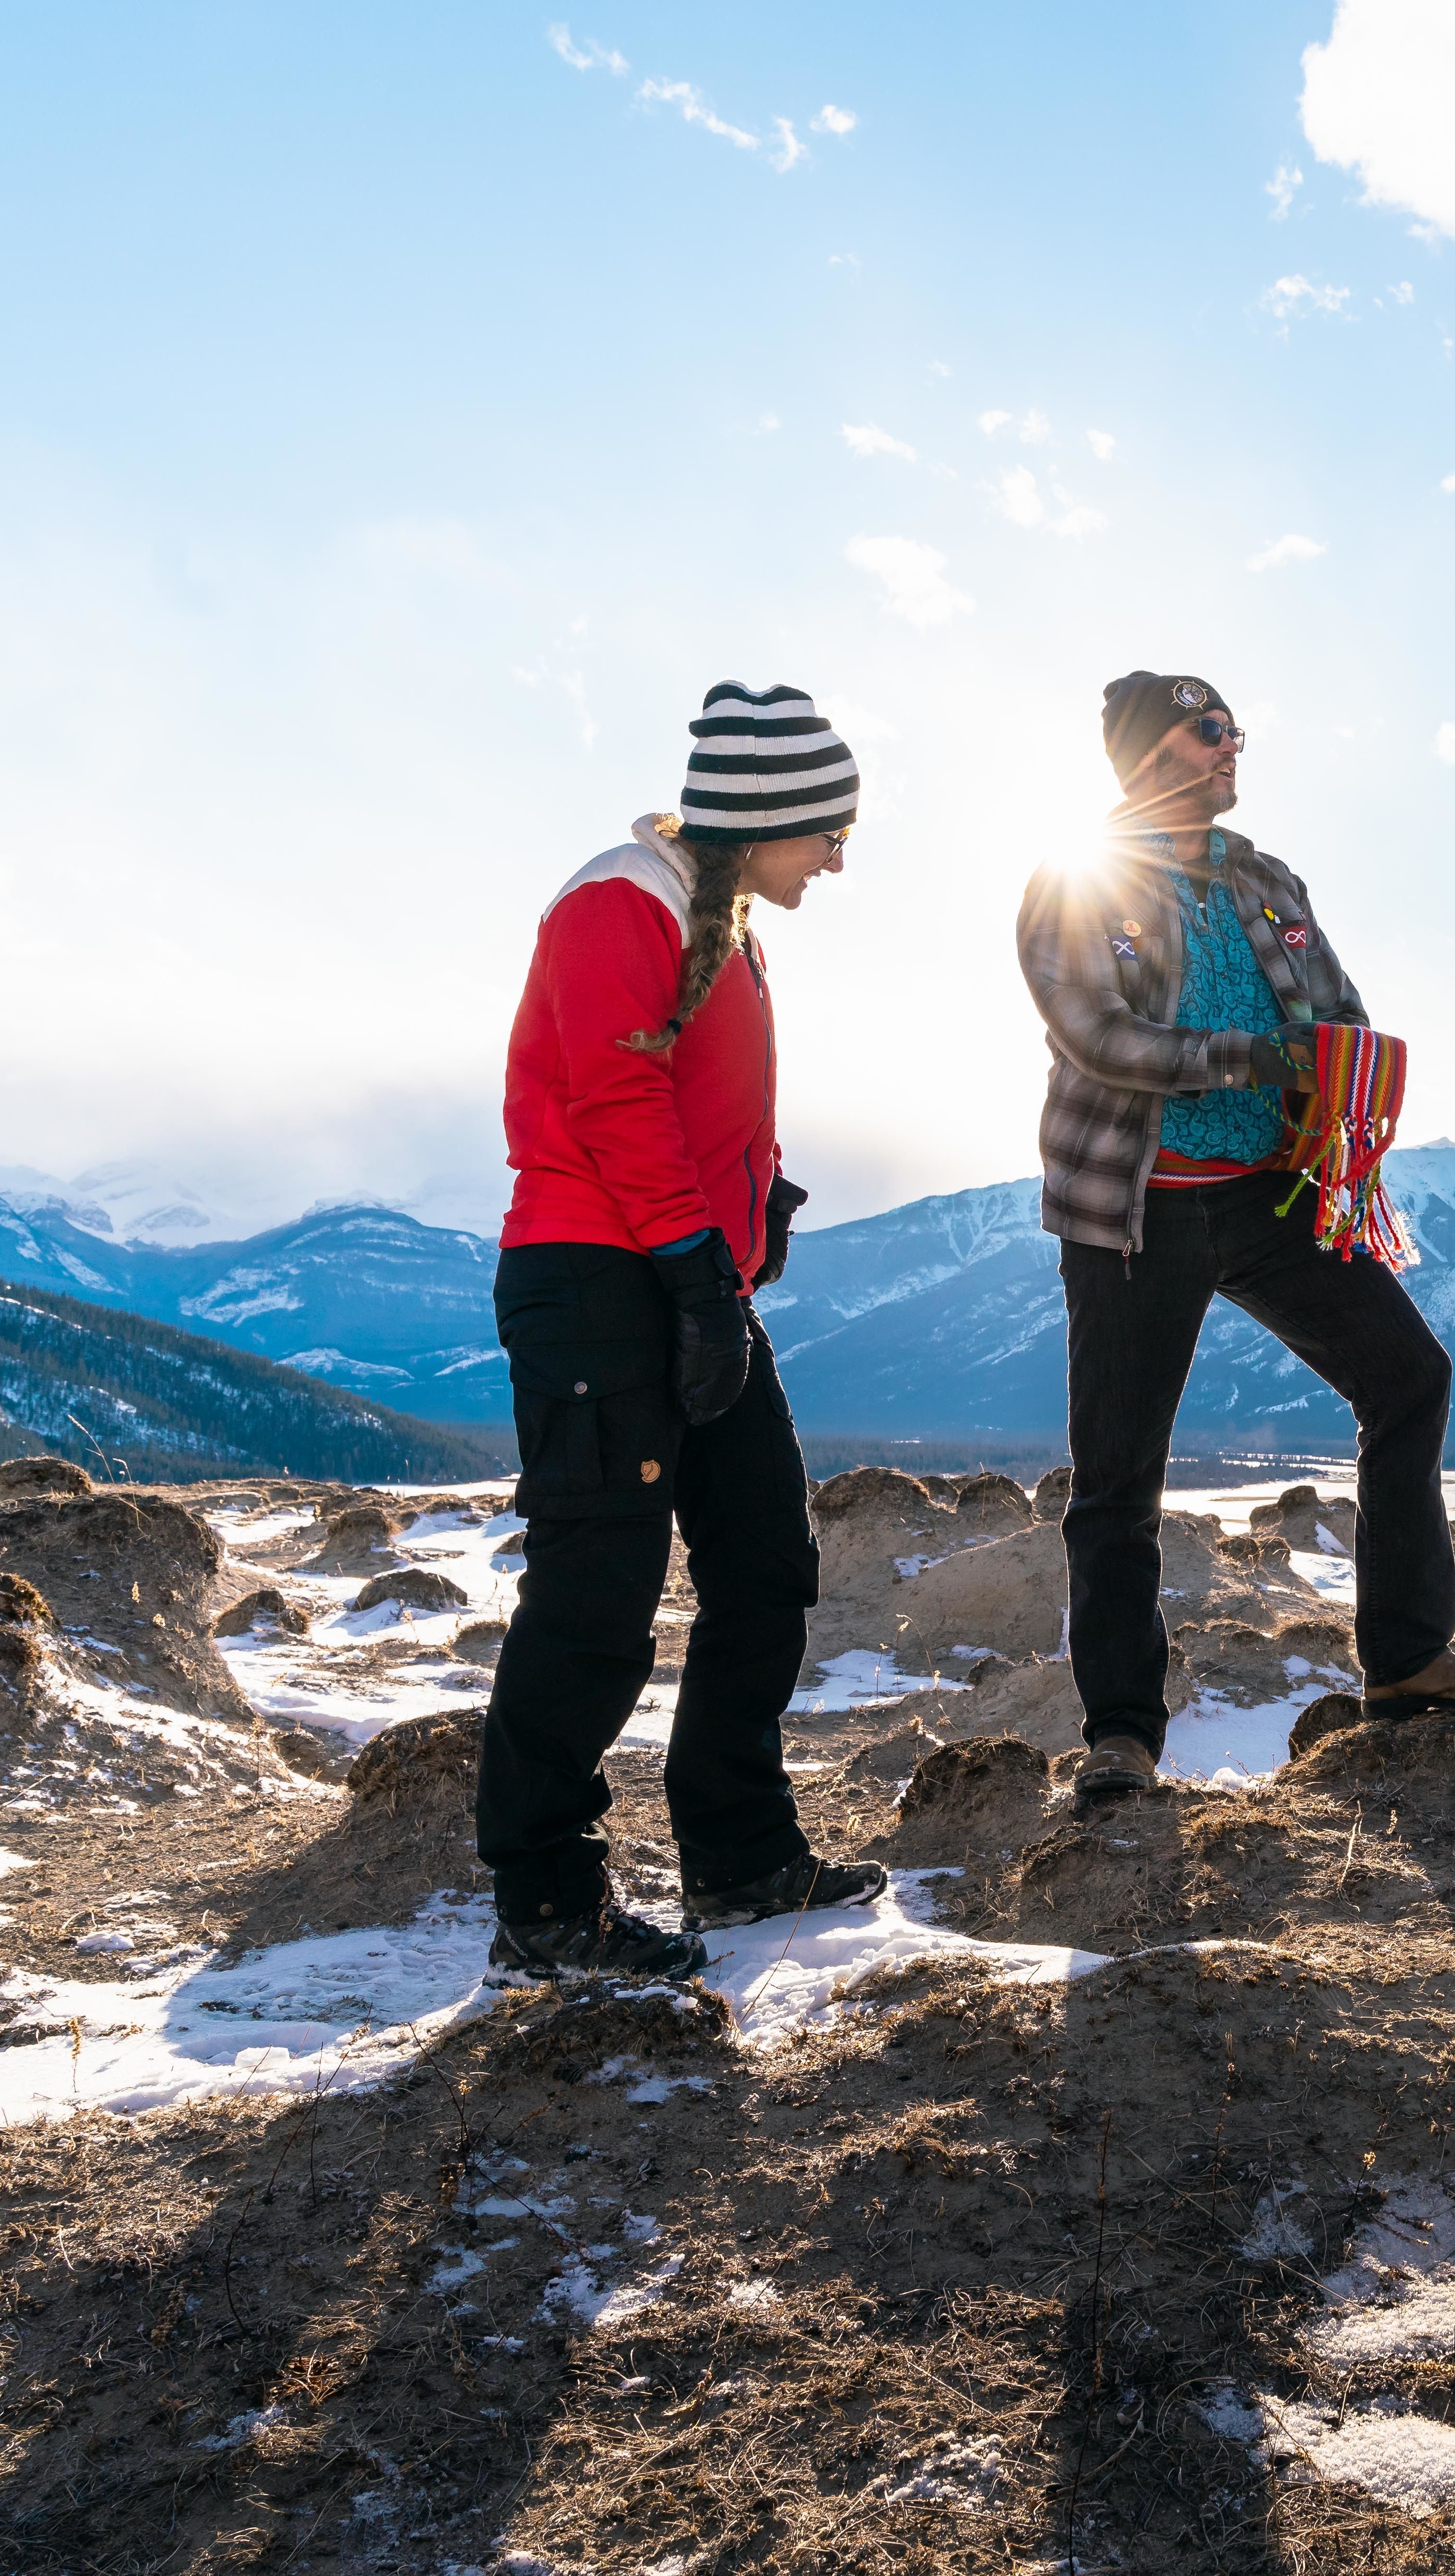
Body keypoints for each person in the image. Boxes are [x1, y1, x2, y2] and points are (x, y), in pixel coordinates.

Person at [1019, 669, 1455, 1812]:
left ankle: (1404, 1661)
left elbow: (1335, 1004)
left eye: (1234, 729)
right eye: (1209, 732)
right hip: (1135, 1208)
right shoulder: (1072, 881)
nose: (1231, 748)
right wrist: (1253, 1057)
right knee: (1118, 1477)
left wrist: (1349, 1070)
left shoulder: (1265, 878)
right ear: (1152, 755)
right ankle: (1121, 1735)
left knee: (1410, 1375)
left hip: (1275, 1192)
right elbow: (1100, 1034)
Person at [477, 681, 893, 1984]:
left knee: (767, 1560)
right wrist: (697, 1271)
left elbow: (681, 1090)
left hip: (692, 1277)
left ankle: (737, 1855)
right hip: (601, 1279)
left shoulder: (726, 922)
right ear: (762, 815)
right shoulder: (624, 897)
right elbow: (609, 1092)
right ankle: (548, 1908)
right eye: (825, 830)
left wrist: (750, 1210)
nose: (837, 856)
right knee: (598, 1594)